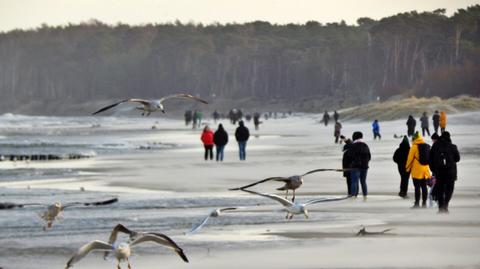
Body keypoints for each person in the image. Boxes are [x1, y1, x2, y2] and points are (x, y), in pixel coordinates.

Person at [429, 132, 460, 213]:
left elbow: (430, 159)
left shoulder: (435, 146)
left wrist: (433, 170)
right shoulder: (453, 146)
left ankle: (441, 207)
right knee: (449, 189)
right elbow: (457, 159)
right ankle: (446, 204)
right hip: (450, 172)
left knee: (440, 189)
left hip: (439, 172)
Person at [405, 132, 431, 208]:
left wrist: (407, 168)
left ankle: (417, 203)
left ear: (414, 139)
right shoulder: (426, 145)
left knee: (417, 187)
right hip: (425, 170)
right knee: (424, 186)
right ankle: (424, 203)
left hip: (416, 171)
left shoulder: (414, 147)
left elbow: (409, 159)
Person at [346, 131, 371, 200]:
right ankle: (365, 196)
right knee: (363, 181)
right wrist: (365, 163)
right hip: (365, 166)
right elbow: (369, 156)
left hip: (355, 167)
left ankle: (353, 196)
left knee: (354, 182)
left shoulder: (353, 145)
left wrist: (351, 164)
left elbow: (349, 156)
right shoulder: (365, 145)